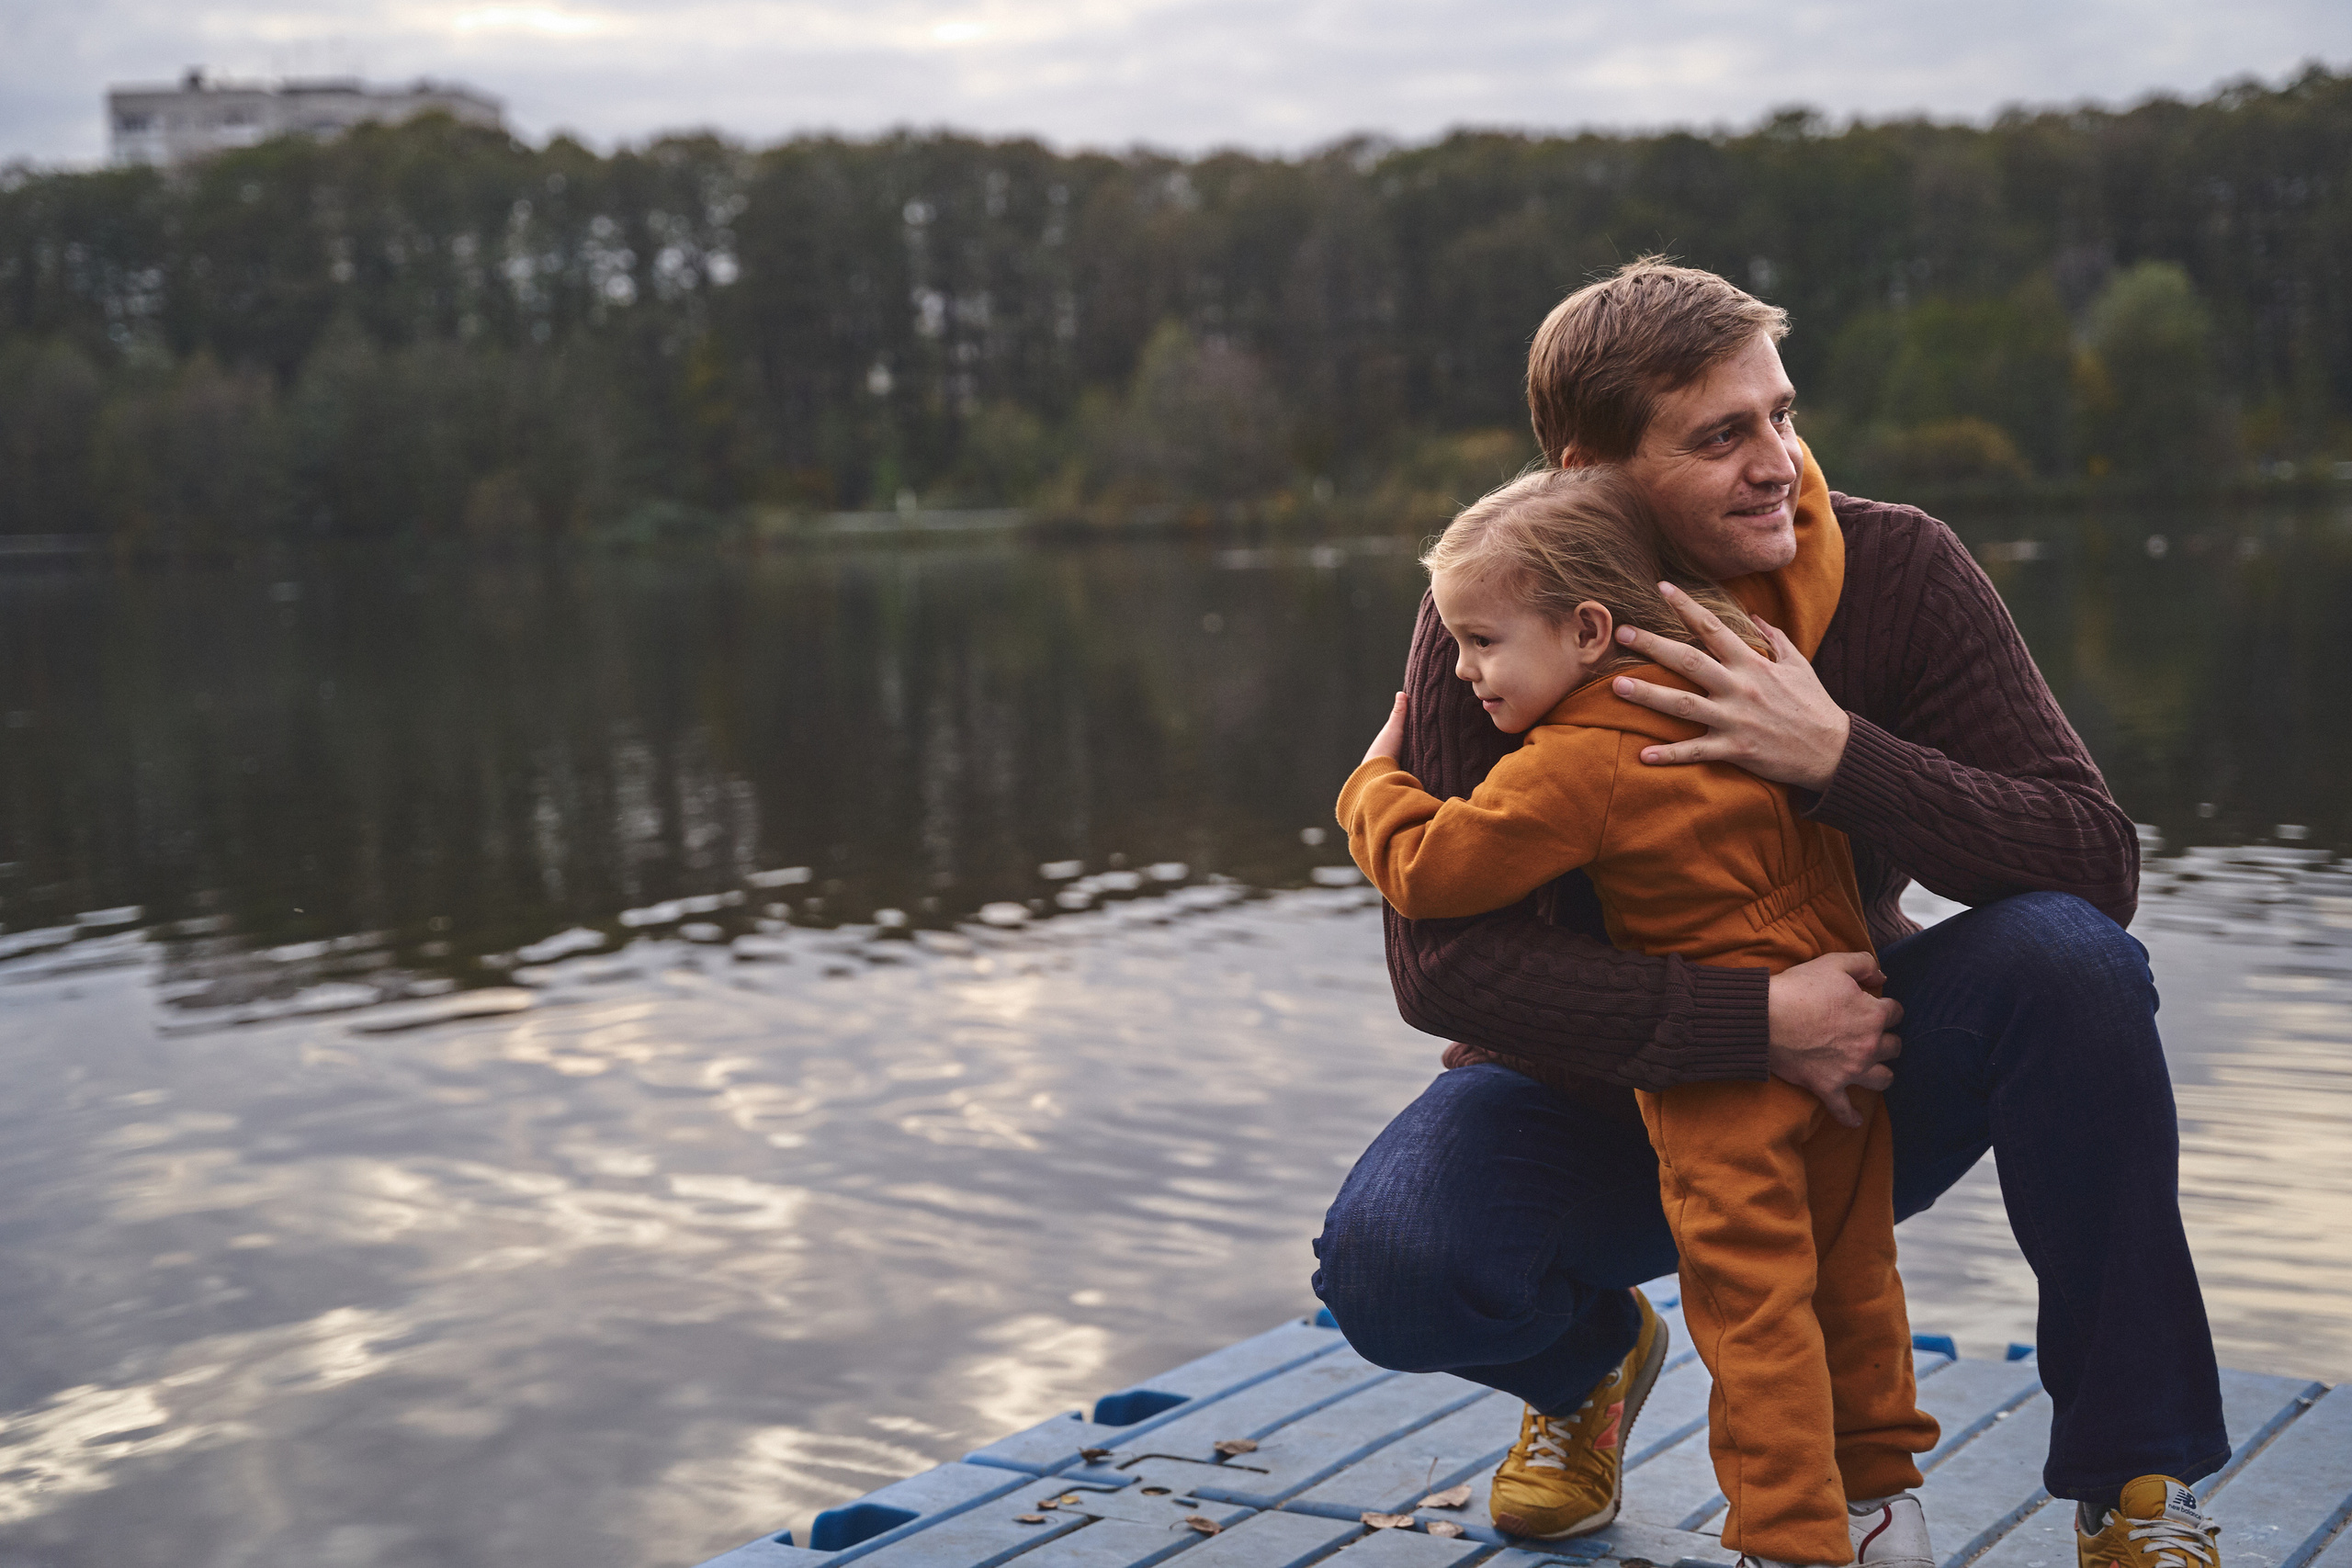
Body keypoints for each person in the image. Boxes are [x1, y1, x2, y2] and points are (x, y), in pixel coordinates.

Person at [1309, 260, 2228, 1568]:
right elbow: (1441, 963)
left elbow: (2092, 859)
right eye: (1722, 435)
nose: (1779, 464)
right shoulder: (1495, 609)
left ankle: (2134, 1480)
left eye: (1782, 415)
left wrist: (1839, 752)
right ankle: (1589, 1366)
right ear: (1594, 471)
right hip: (1601, 1089)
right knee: (1392, 1264)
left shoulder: (1896, 568)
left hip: (1859, 1064)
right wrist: (1749, 1021)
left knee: (2072, 963)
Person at [1337, 459, 1939, 1567]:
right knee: (1855, 1287)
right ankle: (1883, 1508)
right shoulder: (1752, 671)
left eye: (1482, 641)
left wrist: (1373, 786)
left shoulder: (1576, 764)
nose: (1464, 672)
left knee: (1752, 1313)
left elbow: (1432, 870)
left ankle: (1791, 1542)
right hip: (1850, 1038)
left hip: (1724, 1088)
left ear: (1587, 629)